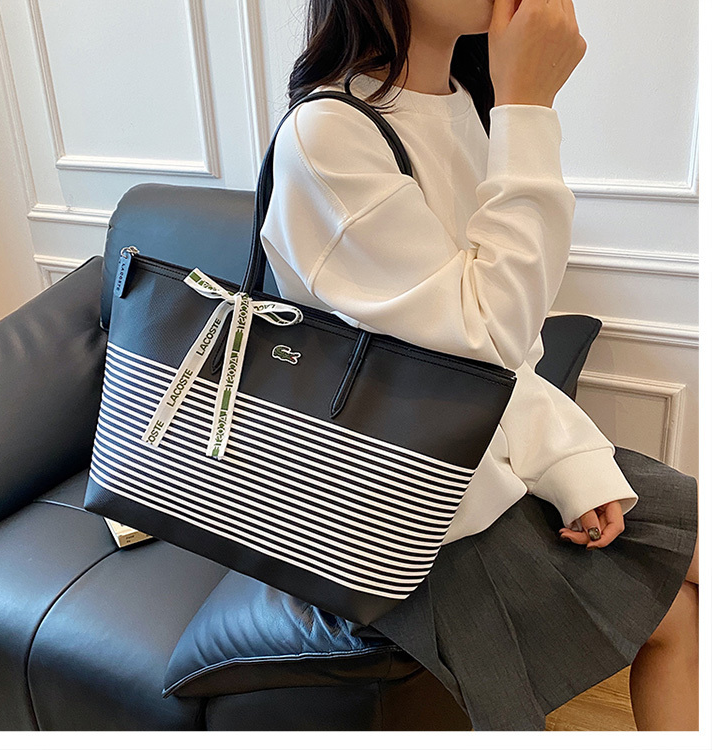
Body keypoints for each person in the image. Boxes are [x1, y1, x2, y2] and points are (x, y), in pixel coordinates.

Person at [258, 0, 699, 731]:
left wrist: (568, 463)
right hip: (400, 513)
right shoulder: (330, 133)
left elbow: (504, 350)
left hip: (478, 454)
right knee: (678, 612)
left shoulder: (461, 103)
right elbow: (487, 333)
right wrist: (528, 109)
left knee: (689, 586)